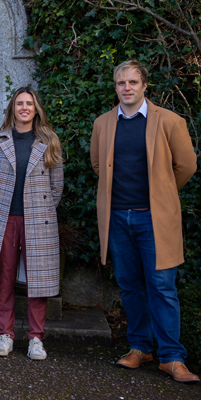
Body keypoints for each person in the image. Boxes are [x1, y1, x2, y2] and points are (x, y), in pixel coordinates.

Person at [91, 60, 199, 383]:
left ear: (144, 85)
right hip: (118, 219)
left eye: (133, 82)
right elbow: (99, 165)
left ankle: (172, 357)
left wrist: (161, 193)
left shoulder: (169, 121)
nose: (127, 88)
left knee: (162, 287)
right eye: (121, 83)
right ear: (115, 87)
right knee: (130, 285)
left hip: (155, 219)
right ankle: (140, 347)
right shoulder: (103, 123)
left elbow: (187, 166)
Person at [0, 87, 63, 360]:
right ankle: (5, 335)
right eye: (19, 104)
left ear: (36, 108)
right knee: (4, 277)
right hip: (5, 219)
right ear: (12, 108)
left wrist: (41, 210)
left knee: (37, 280)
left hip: (38, 220)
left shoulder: (49, 140)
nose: (24, 108)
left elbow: (56, 187)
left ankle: (36, 338)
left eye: (29, 104)